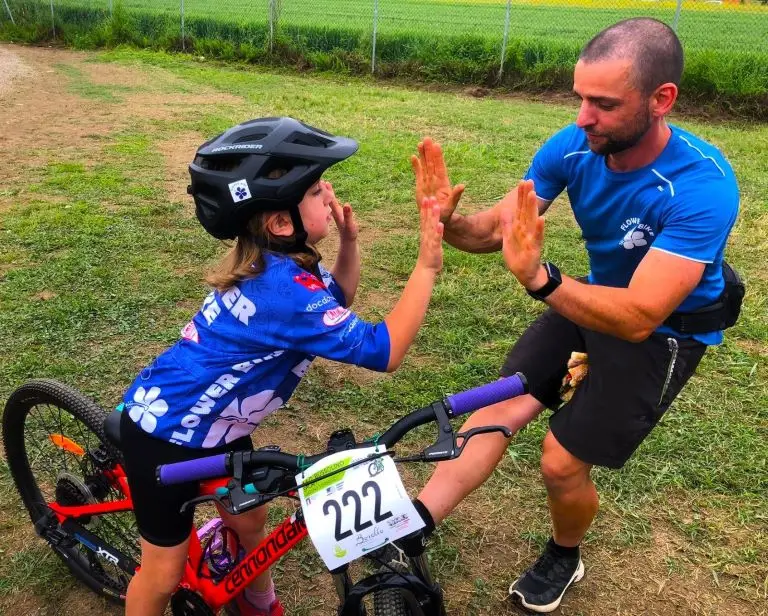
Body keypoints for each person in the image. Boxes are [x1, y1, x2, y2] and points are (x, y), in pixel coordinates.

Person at [408, 17, 740, 613]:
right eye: (580, 98)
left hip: (664, 331)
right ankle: (412, 524)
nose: (583, 117)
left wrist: (540, 278)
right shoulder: (575, 144)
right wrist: (449, 224)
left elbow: (640, 315)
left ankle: (565, 553)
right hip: (585, 296)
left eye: (604, 104)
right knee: (497, 405)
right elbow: (495, 230)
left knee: (561, 462)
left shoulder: (701, 184)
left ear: (661, 100)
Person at [118, 117, 445, 616]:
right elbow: (385, 350)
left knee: (250, 520)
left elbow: (338, 300)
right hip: (164, 437)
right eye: (315, 191)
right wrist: (426, 266)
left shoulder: (282, 268)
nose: (328, 194)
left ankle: (257, 602)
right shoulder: (281, 292)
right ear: (280, 222)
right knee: (162, 574)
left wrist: (349, 244)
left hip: (218, 427)